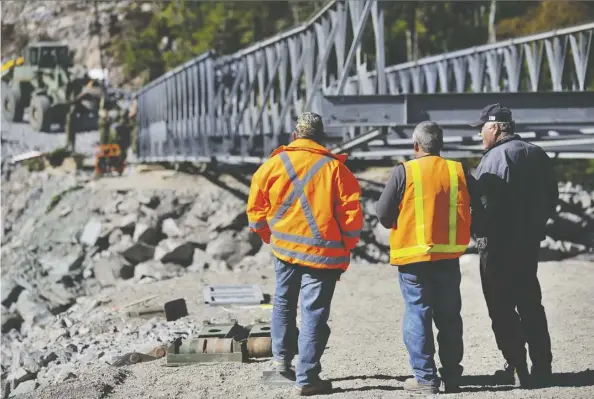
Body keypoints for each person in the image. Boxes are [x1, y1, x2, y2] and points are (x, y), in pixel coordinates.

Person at [246, 112, 363, 396]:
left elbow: (255, 214)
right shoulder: (337, 170)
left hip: (285, 252)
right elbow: (351, 218)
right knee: (312, 314)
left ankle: (281, 363)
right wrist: (345, 249)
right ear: (320, 138)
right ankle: (307, 377)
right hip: (323, 256)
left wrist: (271, 238)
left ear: (295, 136)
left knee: (284, 304)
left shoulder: (272, 166)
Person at [376, 121, 482, 394]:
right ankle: (452, 377)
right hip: (448, 256)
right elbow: (477, 205)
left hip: (413, 258)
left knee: (418, 313)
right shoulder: (457, 170)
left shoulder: (405, 171)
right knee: (449, 316)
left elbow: (384, 213)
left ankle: (425, 379)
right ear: (440, 145)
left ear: (416, 146)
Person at [470, 104, 557, 387]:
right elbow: (551, 199)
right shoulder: (537, 154)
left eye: (482, 128)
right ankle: (542, 366)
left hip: (497, 247)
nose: (480, 134)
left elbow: (484, 206)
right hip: (528, 244)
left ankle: (517, 366)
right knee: (531, 303)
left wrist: (477, 233)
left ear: (494, 127)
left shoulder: (494, 159)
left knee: (501, 307)